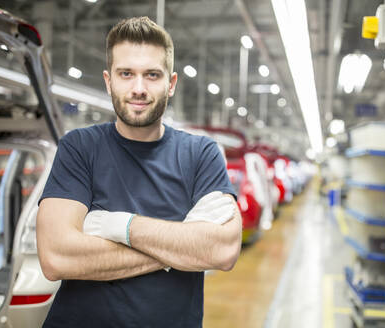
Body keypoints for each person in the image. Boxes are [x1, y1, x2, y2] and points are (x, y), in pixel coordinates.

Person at [36, 16, 242, 328]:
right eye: (126, 74)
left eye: (152, 75)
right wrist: (181, 246)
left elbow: (222, 250)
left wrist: (118, 226)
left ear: (170, 84)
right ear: (109, 81)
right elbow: (56, 257)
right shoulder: (79, 147)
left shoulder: (201, 154)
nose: (139, 88)